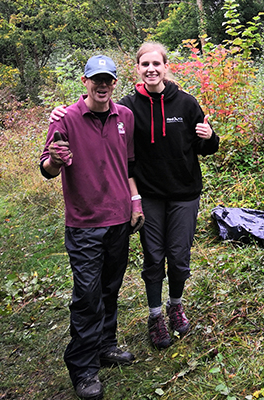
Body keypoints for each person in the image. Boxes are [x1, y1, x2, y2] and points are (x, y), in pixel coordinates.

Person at [50, 42, 219, 350]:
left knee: (179, 259)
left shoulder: (186, 103)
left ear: (166, 67)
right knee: (154, 258)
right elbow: (112, 140)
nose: (152, 69)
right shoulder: (127, 109)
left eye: (157, 63)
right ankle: (155, 316)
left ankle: (175, 306)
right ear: (137, 70)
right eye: (145, 64)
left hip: (184, 194)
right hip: (149, 196)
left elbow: (206, 145)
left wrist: (211, 138)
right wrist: (62, 112)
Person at [41, 54, 143, 400]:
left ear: (115, 83)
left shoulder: (124, 116)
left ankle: (106, 346)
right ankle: (83, 368)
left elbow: (128, 164)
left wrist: (135, 202)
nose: (102, 85)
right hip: (84, 222)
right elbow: (47, 168)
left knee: (110, 288)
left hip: (119, 219)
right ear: (84, 81)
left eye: (108, 80)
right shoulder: (66, 118)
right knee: (87, 296)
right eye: (95, 79)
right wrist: (55, 159)